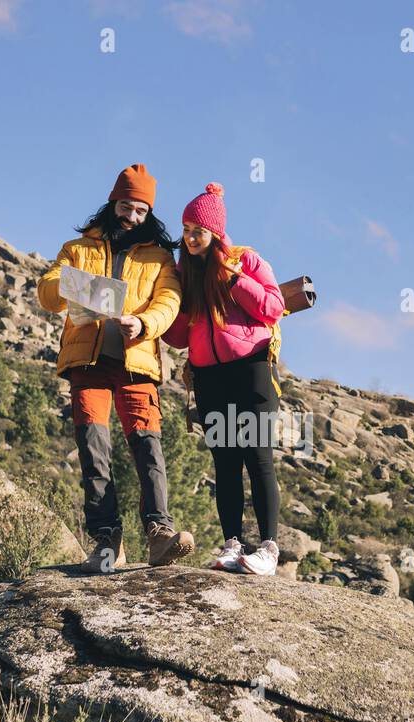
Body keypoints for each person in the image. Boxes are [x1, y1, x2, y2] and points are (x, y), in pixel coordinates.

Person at [37, 163, 195, 572]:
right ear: (113, 203)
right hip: (87, 362)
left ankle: (159, 535)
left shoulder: (161, 257)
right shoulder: (78, 249)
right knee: (94, 451)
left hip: (137, 362)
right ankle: (107, 542)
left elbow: (169, 302)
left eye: (141, 211)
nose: (133, 217)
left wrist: (142, 323)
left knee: (148, 448)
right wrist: (79, 287)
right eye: (127, 206)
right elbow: (47, 293)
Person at [162, 182, 285, 575]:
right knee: (225, 464)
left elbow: (274, 307)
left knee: (257, 456)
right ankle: (233, 543)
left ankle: (268, 546)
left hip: (250, 370)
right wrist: (174, 307)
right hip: (209, 378)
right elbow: (179, 336)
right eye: (185, 230)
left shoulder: (245, 260)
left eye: (197, 230)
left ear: (215, 232)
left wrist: (233, 279)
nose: (190, 237)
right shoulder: (185, 275)